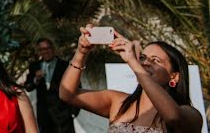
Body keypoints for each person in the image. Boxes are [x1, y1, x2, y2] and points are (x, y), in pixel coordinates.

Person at [59, 26, 202, 133]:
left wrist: (133, 62)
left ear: (174, 76)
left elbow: (173, 118)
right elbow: (68, 94)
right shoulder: (118, 102)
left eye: (155, 60)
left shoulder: (191, 114)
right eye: (143, 58)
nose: (145, 63)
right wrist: (81, 52)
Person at [25, 37, 77, 133]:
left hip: (63, 117)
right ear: (39, 51)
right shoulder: (34, 66)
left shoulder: (65, 66)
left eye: (48, 48)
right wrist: (36, 79)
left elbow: (76, 88)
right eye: (42, 49)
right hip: (44, 117)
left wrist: (73, 112)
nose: (46, 51)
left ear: (53, 49)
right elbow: (28, 87)